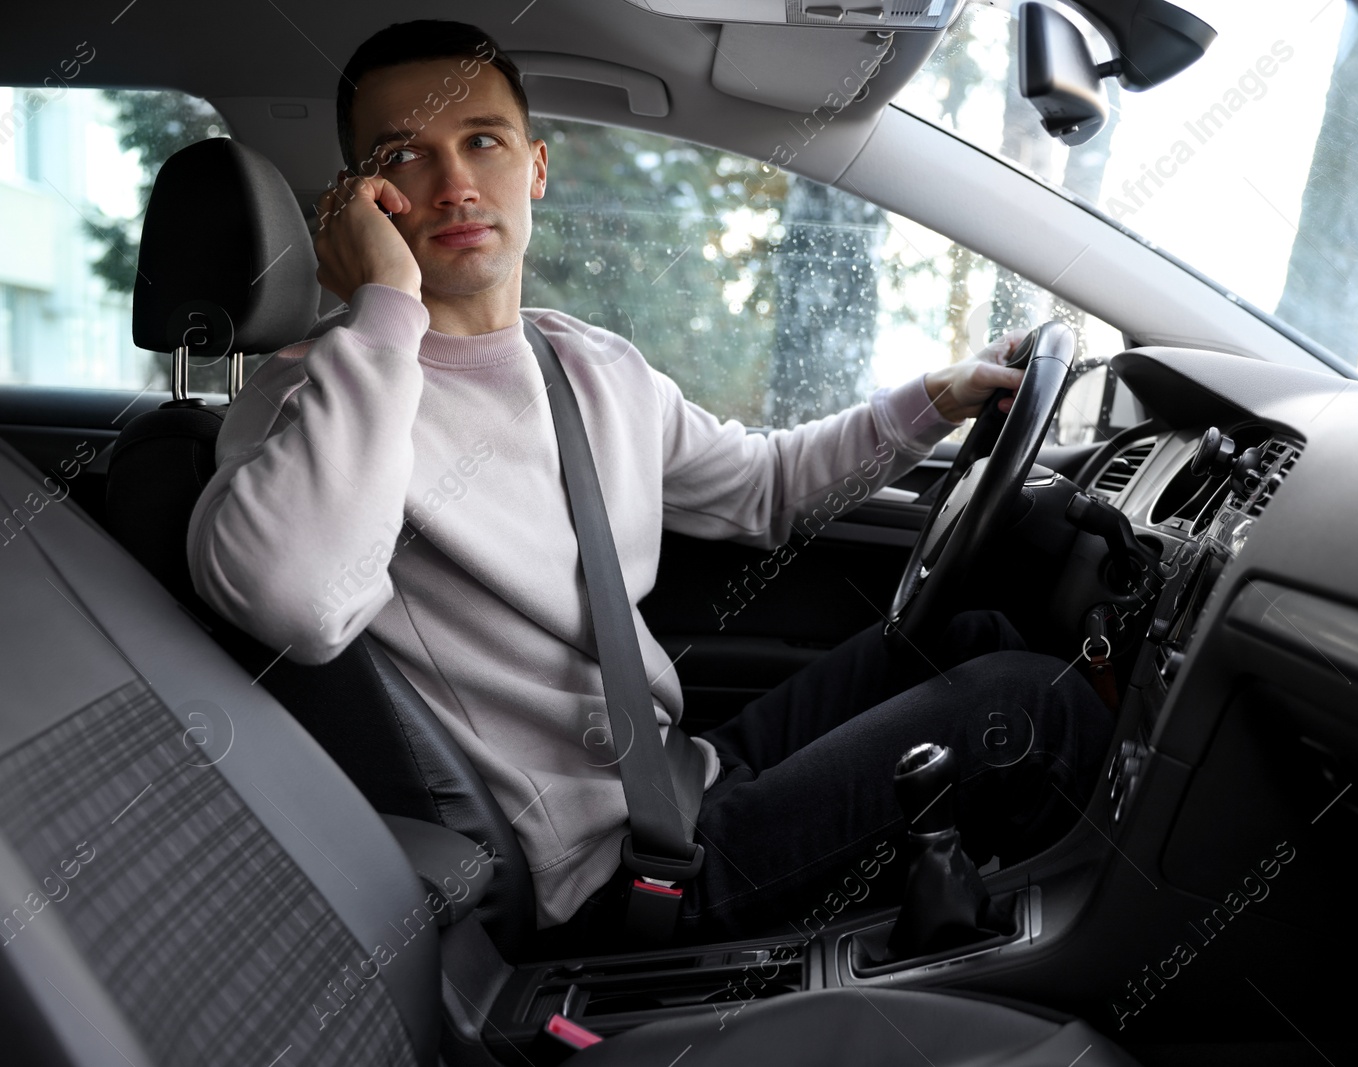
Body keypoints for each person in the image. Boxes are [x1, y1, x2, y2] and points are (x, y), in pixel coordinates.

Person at [187, 19, 1112, 948]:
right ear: (362, 200)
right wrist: (384, 311)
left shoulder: (589, 364)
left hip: (682, 775)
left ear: (536, 166)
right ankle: (1067, 970)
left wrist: (937, 399)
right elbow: (299, 602)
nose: (456, 183)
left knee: (970, 635)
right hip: (617, 875)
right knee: (1029, 708)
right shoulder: (315, 394)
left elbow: (763, 485)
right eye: (404, 155)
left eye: (482, 141)